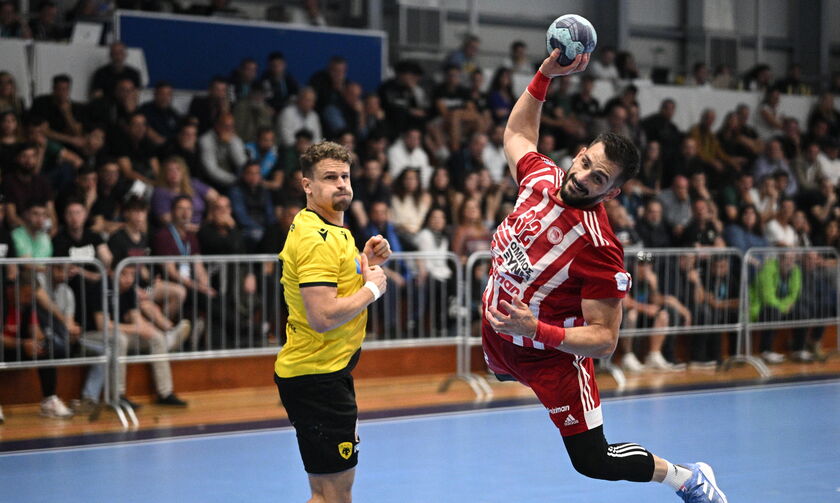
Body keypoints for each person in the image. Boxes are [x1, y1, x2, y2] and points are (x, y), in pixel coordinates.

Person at [479, 49, 728, 503]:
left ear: (612, 192)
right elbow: (517, 131)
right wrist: (544, 74)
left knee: (592, 461)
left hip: (550, 356)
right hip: (500, 340)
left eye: (599, 179)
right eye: (586, 164)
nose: (585, 178)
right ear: (577, 156)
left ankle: (686, 477)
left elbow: (604, 340)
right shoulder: (539, 177)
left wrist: (536, 329)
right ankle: (507, 360)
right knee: (499, 370)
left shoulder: (599, 248)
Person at [274, 141, 391, 503]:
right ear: (307, 185)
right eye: (329, 177)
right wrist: (372, 288)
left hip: (322, 373)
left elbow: (332, 282)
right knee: (333, 496)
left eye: (345, 176)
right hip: (318, 378)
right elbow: (322, 316)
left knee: (326, 493)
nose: (341, 184)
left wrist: (362, 261)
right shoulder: (316, 238)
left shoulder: (328, 227)